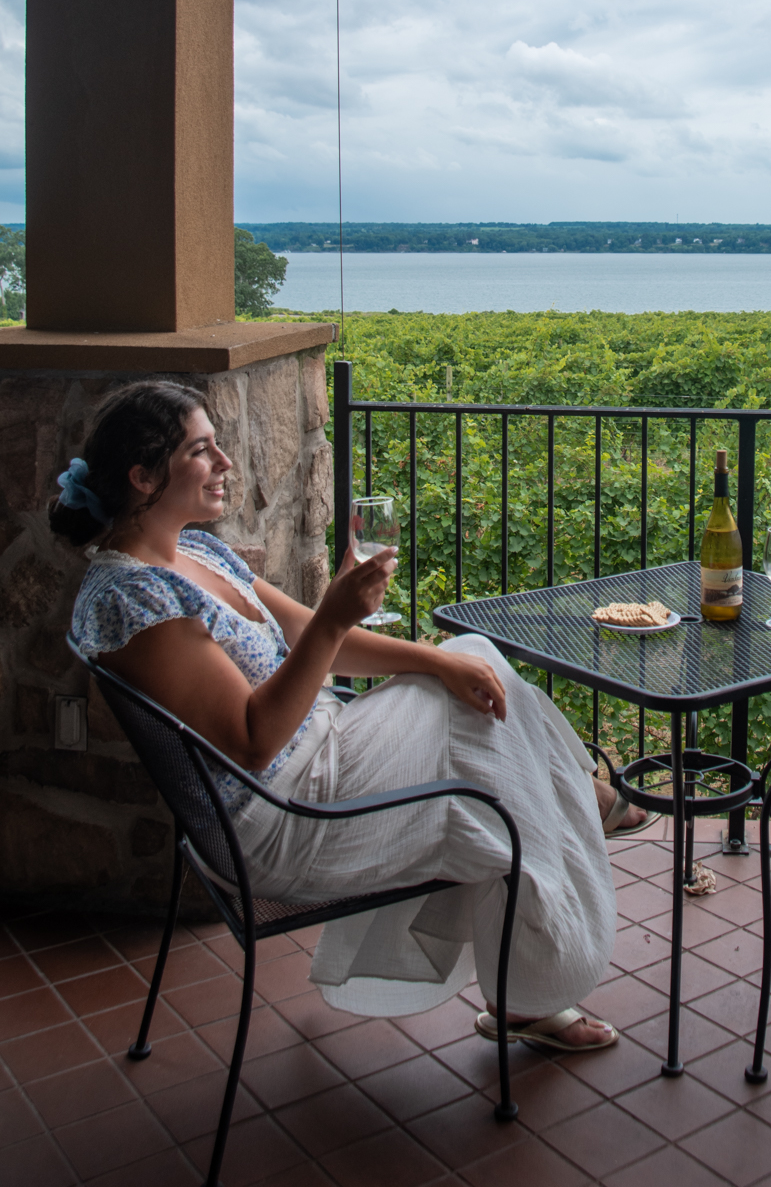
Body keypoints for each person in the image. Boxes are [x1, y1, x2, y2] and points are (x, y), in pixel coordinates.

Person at [60, 380, 647, 1050]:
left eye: (218, 444)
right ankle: (550, 922)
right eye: (202, 450)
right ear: (143, 477)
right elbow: (253, 741)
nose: (226, 463)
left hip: (321, 751)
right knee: (491, 748)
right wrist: (338, 618)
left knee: (469, 659)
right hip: (280, 819)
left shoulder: (197, 552)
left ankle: (568, 825)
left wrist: (428, 658)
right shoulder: (136, 598)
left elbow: (312, 632)